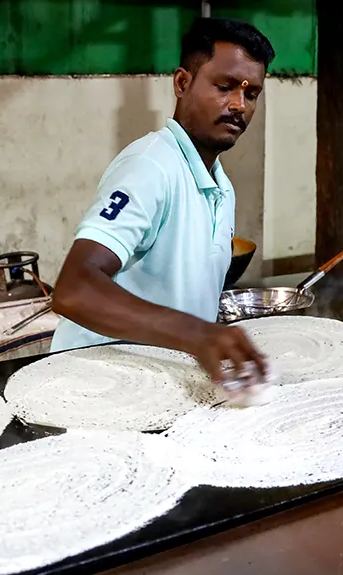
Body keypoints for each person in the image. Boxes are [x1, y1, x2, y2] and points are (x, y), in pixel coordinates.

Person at [50, 17, 275, 387]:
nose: (238, 105)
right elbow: (75, 289)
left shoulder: (221, 187)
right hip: (96, 385)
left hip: (159, 383)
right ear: (182, 83)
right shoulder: (151, 166)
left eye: (251, 94)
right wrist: (197, 335)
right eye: (224, 87)